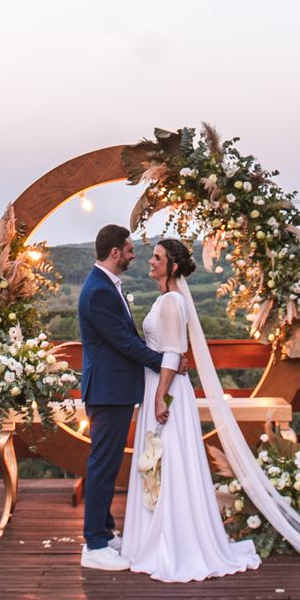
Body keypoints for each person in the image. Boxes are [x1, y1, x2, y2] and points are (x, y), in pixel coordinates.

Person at [120, 237, 260, 582]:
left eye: (157, 258)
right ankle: (163, 534)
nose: (150, 262)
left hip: (165, 389)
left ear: (173, 266)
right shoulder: (168, 299)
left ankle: (173, 541)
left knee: (168, 460)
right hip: (163, 384)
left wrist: (158, 397)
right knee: (164, 460)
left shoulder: (171, 301)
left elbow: (171, 353)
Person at [75, 223, 165, 570]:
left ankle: (106, 530)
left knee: (109, 464)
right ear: (115, 253)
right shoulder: (98, 291)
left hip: (114, 391)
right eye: (129, 249)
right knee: (102, 466)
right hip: (108, 392)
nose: (133, 253)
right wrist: (164, 362)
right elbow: (124, 343)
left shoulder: (105, 285)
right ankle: (94, 545)